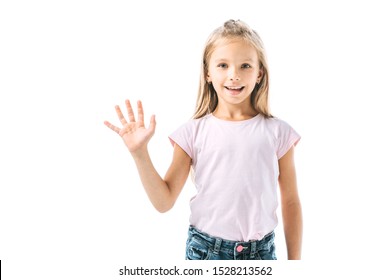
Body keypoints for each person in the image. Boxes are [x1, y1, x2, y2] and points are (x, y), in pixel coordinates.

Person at [104, 19, 302, 260]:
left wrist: (295, 264)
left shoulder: (278, 132)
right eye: (223, 65)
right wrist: (139, 153)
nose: (234, 75)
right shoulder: (191, 133)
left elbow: (290, 201)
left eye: (245, 66)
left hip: (260, 253)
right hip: (206, 252)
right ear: (208, 73)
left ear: (260, 73)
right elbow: (164, 202)